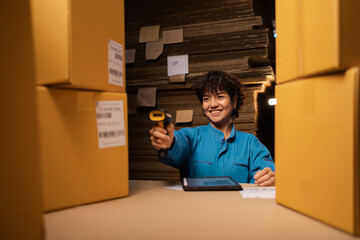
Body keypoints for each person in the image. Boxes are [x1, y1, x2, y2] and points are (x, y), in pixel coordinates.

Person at [149, 70, 275, 186]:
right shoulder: (192, 137)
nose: (213, 104)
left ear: (234, 101)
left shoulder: (250, 143)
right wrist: (169, 142)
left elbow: (265, 169)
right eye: (206, 99)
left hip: (236, 209)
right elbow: (178, 144)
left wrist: (269, 176)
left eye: (220, 96)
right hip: (196, 209)